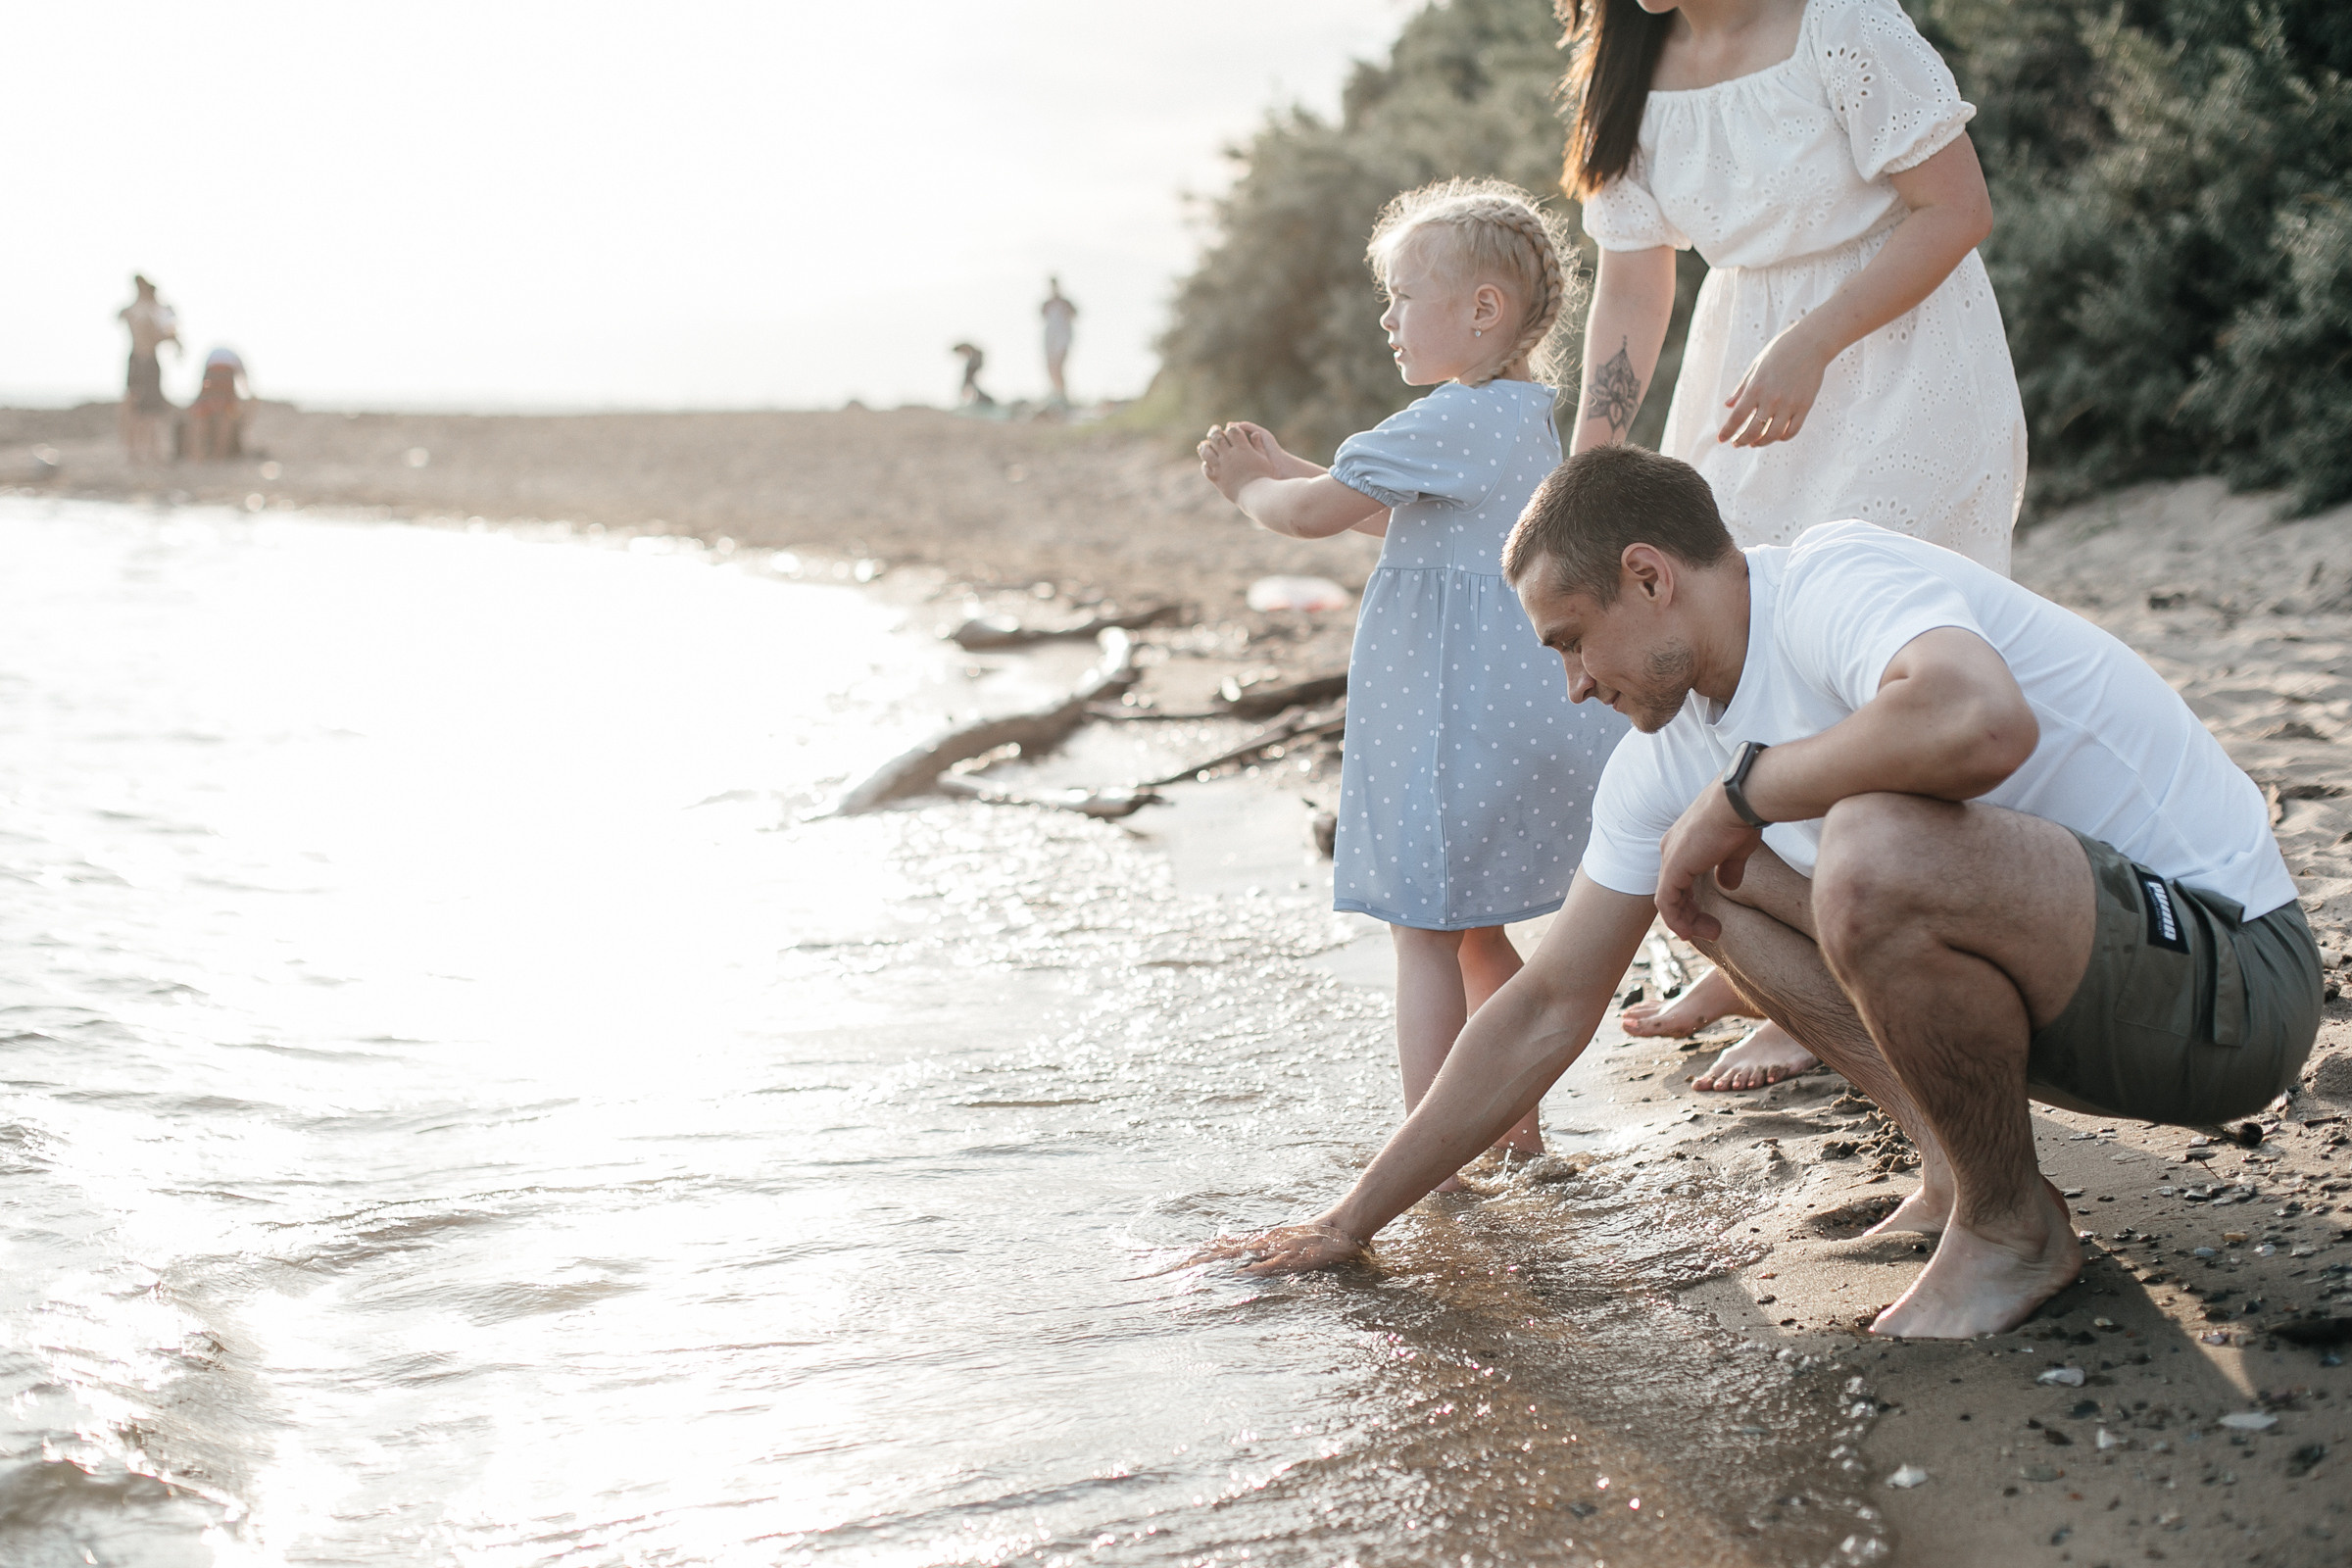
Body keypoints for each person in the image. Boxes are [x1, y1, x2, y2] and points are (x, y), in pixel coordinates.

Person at [1201, 446, 2319, 1340]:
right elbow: (1548, 1004)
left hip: (2230, 980)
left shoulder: (1830, 581)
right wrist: (1350, 1221)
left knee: (1867, 848)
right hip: (2085, 999)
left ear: (1650, 575)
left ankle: (2012, 1229)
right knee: (1703, 892)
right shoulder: (1663, 754)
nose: (1575, 683)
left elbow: (1979, 720)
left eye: (1574, 641)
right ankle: (1958, 1161)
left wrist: (1748, 794)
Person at [1559, 0, 2030, 1094]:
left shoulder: (1846, 24)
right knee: (1733, 658)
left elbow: (1955, 209)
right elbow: (1635, 281)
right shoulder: (1627, 63)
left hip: (1899, 353)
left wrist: (1813, 341)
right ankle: (1777, 971)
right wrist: (1591, 457)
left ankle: (1865, 960)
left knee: (1862, 667)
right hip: (1742, 368)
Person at [1197, 179, 1630, 1187]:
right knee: (1477, 933)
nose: (1387, 318)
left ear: (1482, 310)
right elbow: (1396, 513)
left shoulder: (1450, 417)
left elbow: (1310, 516)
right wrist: (1293, 469)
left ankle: (1432, 1155)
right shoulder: (1516, 421)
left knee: (1425, 934)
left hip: (1449, 727)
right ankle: (1515, 1133)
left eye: (1401, 296)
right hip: (1502, 718)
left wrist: (1252, 486)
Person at [117, 274, 179, 465]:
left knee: (150, 408)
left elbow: (167, 334)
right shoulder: (138, 310)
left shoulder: (154, 310)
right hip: (140, 359)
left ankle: (148, 451)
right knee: (136, 406)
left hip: (147, 360)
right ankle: (136, 451)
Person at [186, 347, 249, 461]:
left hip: (211, 374)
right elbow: (243, 379)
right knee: (226, 417)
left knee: (202, 415)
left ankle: (197, 454)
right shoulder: (234, 358)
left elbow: (204, 379)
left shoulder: (214, 355)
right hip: (226, 376)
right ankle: (219, 454)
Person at [1041, 278, 1077, 405]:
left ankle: (1062, 395)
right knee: (1051, 367)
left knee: (1059, 366)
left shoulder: (1065, 302)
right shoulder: (1047, 303)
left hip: (1063, 337)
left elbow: (1074, 314)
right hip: (1051, 338)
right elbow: (1042, 315)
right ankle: (1056, 392)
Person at [952, 342, 993, 408]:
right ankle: (975, 402)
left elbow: (975, 366)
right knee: (971, 387)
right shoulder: (972, 356)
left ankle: (983, 401)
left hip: (972, 369)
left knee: (970, 387)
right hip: (972, 369)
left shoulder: (973, 354)